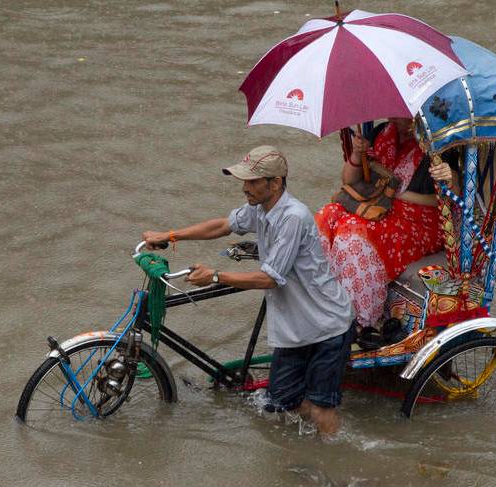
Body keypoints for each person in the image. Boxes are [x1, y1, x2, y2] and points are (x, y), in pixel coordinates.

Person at [142, 146, 355, 436]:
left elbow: (269, 279)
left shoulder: (293, 216)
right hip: (295, 328)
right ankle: (306, 447)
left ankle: (335, 466)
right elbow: (223, 225)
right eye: (245, 181)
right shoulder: (259, 209)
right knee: (281, 405)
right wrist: (169, 235)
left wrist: (216, 275)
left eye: (253, 181)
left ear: (276, 182)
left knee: (320, 408)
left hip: (325, 325)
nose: (245, 188)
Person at [315, 118, 458, 340]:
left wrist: (400, 194)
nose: (398, 120)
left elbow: (449, 196)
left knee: (352, 234)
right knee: (328, 214)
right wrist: (356, 153)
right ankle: (322, 301)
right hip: (379, 207)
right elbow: (350, 180)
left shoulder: (436, 144)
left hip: (418, 219)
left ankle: (360, 320)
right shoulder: (382, 133)